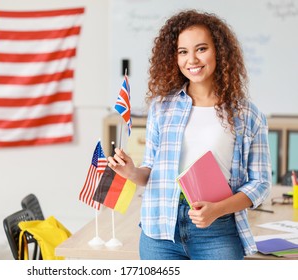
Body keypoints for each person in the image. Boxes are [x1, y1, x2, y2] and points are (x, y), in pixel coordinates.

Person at [108, 9, 272, 260]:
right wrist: (131, 172)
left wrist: (216, 210)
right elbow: (150, 171)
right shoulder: (162, 108)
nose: (192, 59)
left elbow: (260, 183)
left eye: (201, 49)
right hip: (160, 232)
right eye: (182, 52)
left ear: (219, 51)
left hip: (217, 231)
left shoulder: (247, 114)